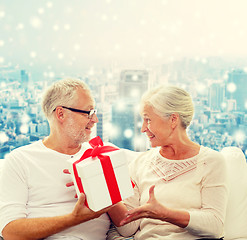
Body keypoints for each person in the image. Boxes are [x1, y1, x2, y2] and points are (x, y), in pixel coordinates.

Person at [0, 78, 126, 240]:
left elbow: (124, 225)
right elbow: (11, 231)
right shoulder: (20, 160)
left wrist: (102, 185)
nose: (95, 120)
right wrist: (74, 219)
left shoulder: (100, 155)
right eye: (88, 113)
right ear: (61, 114)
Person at [115, 85, 228, 240]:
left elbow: (215, 225)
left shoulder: (211, 162)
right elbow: (127, 228)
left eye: (148, 119)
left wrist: (165, 214)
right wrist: (102, 194)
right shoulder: (139, 164)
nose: (142, 129)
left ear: (173, 120)